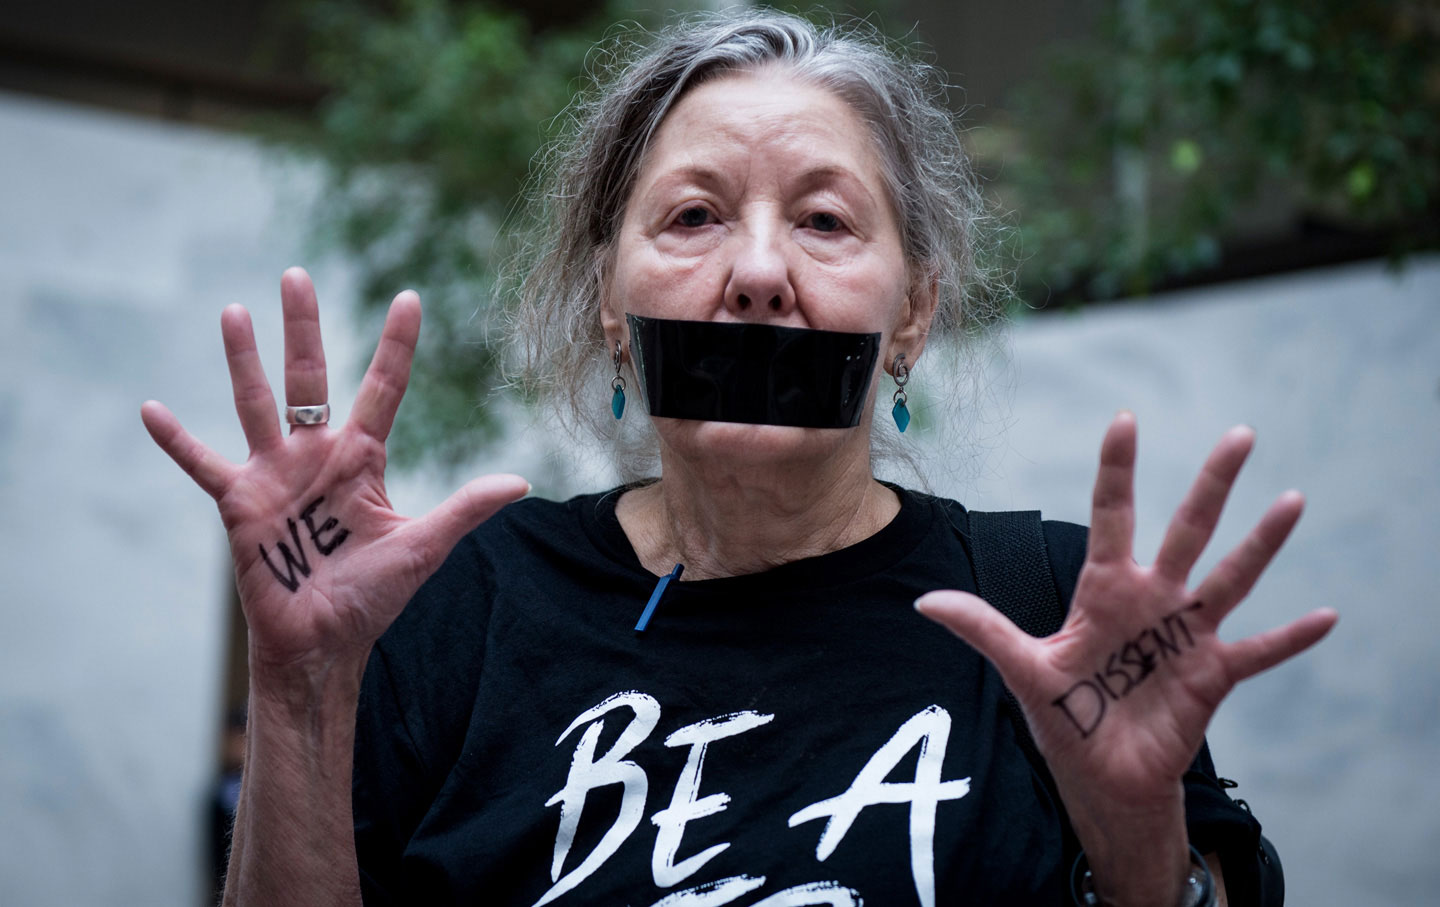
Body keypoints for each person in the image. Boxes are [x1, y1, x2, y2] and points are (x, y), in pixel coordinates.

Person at [141, 11, 1337, 906]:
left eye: (824, 221)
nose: (760, 271)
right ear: (612, 303)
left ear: (911, 314)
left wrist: (1137, 850)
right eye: (694, 215)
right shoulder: (454, 607)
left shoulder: (1048, 615)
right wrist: (298, 691)